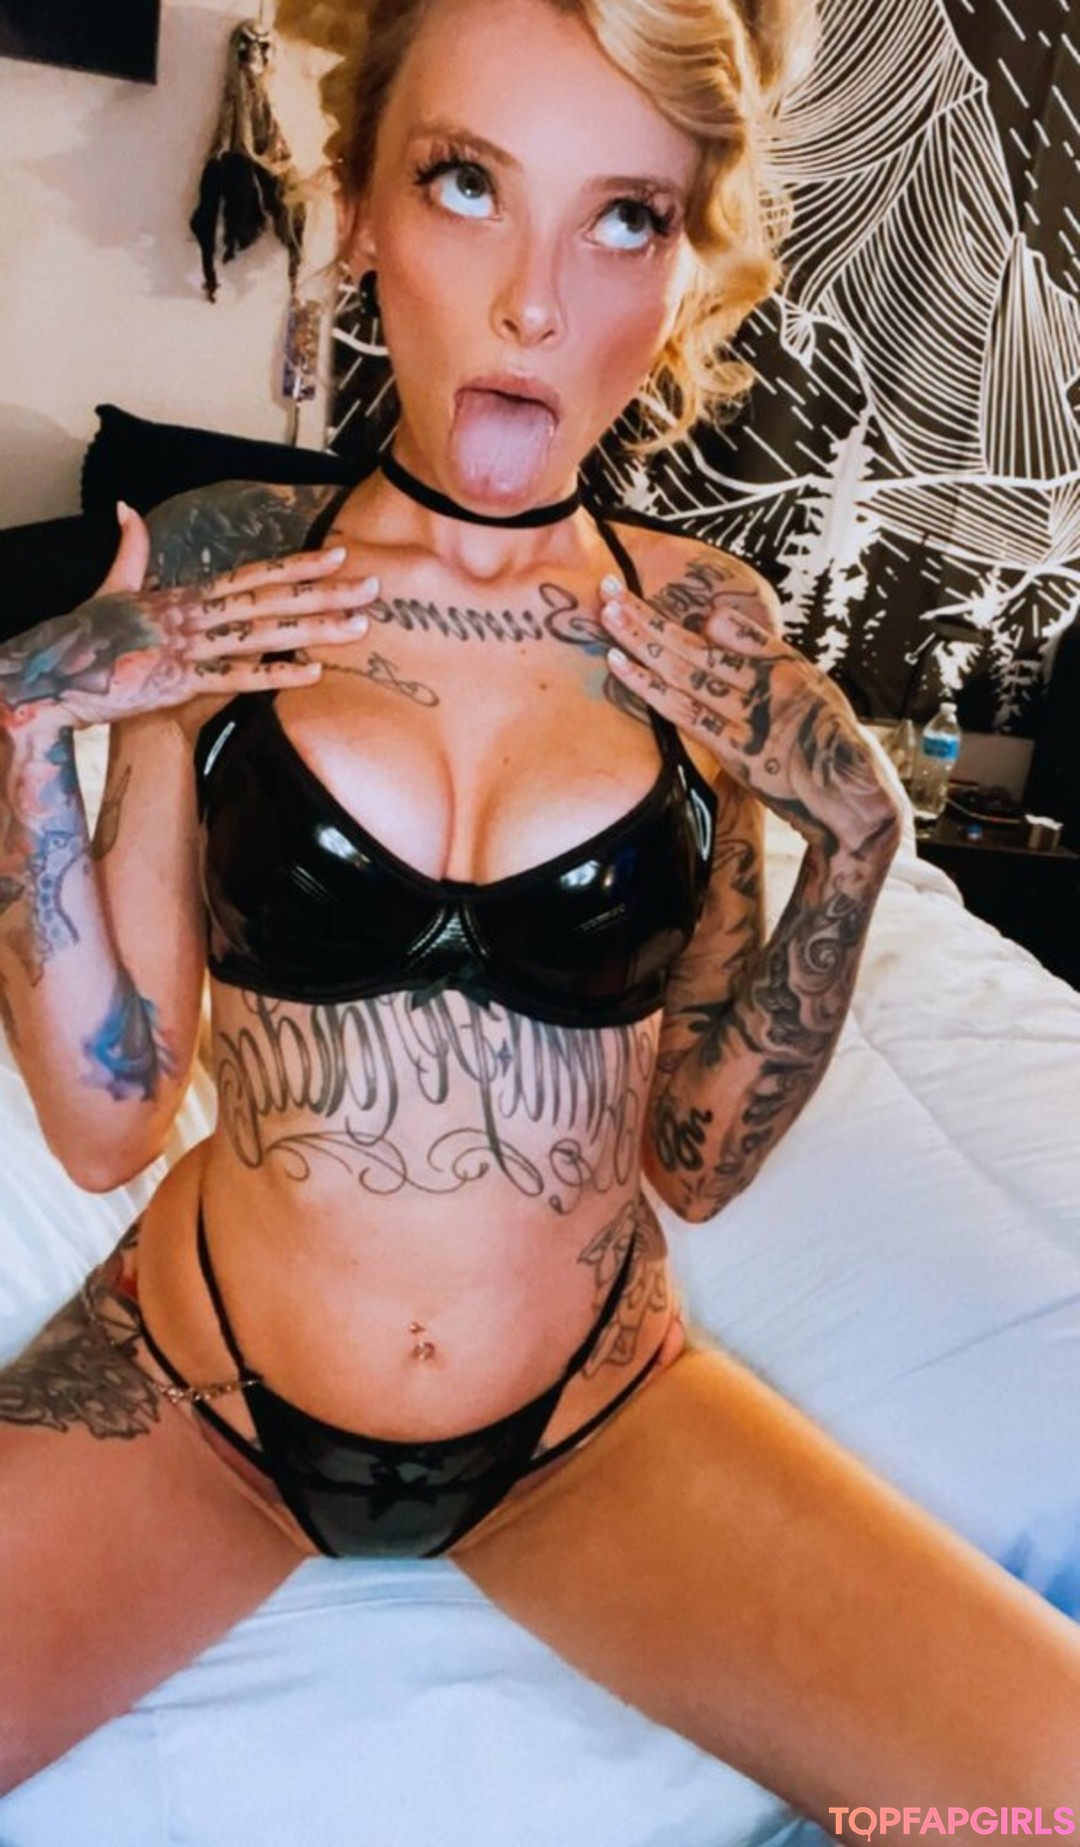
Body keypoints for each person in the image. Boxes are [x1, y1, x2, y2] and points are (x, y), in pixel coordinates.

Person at [0, 0, 1077, 1827]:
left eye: (623, 218)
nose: (532, 303)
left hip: (590, 1424)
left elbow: (697, 1163)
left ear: (684, 268)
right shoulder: (227, 565)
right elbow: (112, 1119)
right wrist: (31, 730)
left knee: (1043, 1791)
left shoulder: (703, 628)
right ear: (359, 206)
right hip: (192, 1398)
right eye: (466, 184)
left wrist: (854, 843)